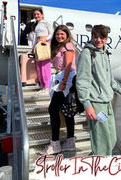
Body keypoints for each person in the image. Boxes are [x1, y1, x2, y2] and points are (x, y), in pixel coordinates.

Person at [76, 24, 121, 156]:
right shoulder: (87, 53)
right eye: (96, 37)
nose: (98, 40)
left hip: (107, 102)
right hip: (96, 103)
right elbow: (82, 80)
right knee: (102, 140)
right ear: (92, 37)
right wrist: (87, 105)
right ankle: (100, 168)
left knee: (111, 138)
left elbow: (109, 77)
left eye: (102, 37)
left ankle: (95, 159)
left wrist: (120, 89)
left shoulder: (104, 52)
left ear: (106, 39)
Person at [45, 25, 76, 154]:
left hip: (67, 78)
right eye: (57, 34)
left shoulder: (68, 46)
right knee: (66, 110)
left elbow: (68, 65)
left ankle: (55, 143)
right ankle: (69, 141)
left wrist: (63, 82)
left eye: (62, 34)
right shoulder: (60, 47)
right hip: (63, 77)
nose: (59, 36)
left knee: (53, 109)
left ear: (67, 35)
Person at [20, 8, 52, 92]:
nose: (36, 16)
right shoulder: (36, 25)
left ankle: (47, 86)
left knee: (45, 66)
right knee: (38, 66)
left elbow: (51, 33)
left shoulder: (46, 22)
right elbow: (35, 38)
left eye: (38, 14)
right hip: (38, 43)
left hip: (45, 43)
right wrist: (33, 48)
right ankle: (42, 85)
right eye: (34, 14)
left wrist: (46, 40)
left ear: (42, 14)